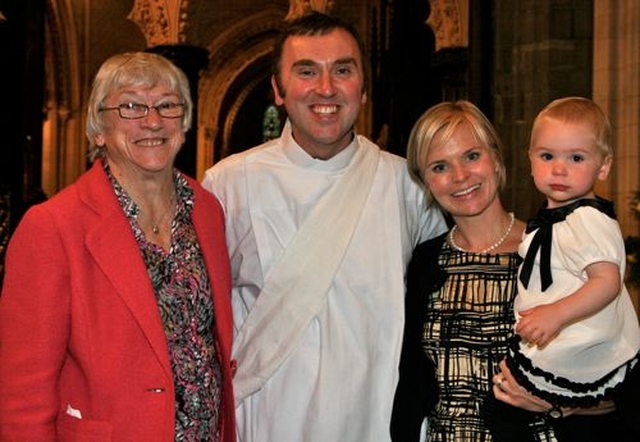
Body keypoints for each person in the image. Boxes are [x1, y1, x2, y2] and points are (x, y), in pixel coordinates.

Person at [201, 11, 446, 442]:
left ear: (364, 89)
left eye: (343, 70)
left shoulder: (407, 185)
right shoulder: (228, 184)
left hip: (374, 418)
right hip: (269, 417)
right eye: (307, 71)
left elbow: (443, 311)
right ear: (278, 89)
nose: (326, 88)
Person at [0, 52, 236, 442]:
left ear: (185, 121)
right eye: (130, 106)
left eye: (167, 105)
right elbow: (24, 397)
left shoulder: (207, 210)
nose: (153, 120)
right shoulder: (53, 228)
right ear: (98, 130)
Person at [483, 97, 640, 441]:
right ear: (530, 160)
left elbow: (607, 283)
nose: (559, 168)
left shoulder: (588, 217)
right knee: (506, 409)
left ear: (603, 167)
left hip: (576, 341)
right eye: (547, 156)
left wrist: (555, 314)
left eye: (576, 158)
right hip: (552, 337)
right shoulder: (552, 219)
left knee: (502, 412)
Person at [390, 100, 532, 441]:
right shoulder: (424, 261)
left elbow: (614, 375)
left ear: (495, 158)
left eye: (471, 156)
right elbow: (411, 382)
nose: (459, 176)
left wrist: (555, 405)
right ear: (425, 182)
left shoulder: (548, 251)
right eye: (439, 166)